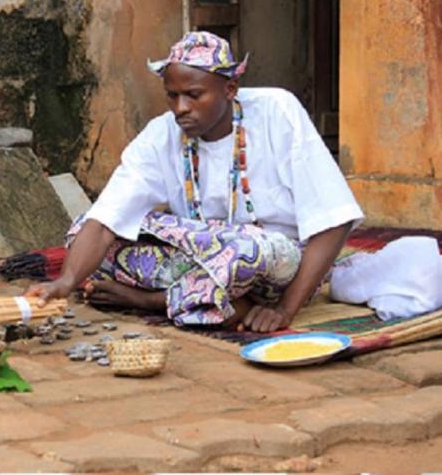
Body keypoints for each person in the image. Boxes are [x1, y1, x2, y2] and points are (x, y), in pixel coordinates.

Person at [24, 31, 364, 332]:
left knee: (244, 250)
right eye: (172, 96)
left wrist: (285, 309)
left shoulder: (277, 111)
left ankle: (154, 301)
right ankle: (211, 303)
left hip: (272, 264)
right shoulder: (161, 133)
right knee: (86, 231)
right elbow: (106, 218)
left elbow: (334, 218)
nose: (180, 108)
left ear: (230, 89)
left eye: (193, 95)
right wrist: (67, 281)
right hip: (201, 256)